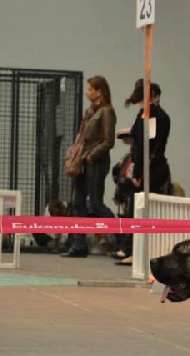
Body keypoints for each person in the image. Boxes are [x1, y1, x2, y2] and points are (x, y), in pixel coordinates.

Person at [113, 81, 171, 265]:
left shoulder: (148, 114)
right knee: (144, 211)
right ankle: (135, 251)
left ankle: (133, 252)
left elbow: (146, 145)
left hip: (148, 169)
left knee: (137, 211)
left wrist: (137, 173)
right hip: (157, 167)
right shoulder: (162, 115)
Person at [61, 75, 116, 258]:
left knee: (95, 203)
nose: (87, 92)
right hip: (83, 162)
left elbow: (108, 141)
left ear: (99, 92)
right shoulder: (90, 112)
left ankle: (123, 238)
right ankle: (79, 245)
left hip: (96, 162)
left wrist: (92, 157)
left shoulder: (106, 112)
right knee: (77, 202)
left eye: (90, 89)